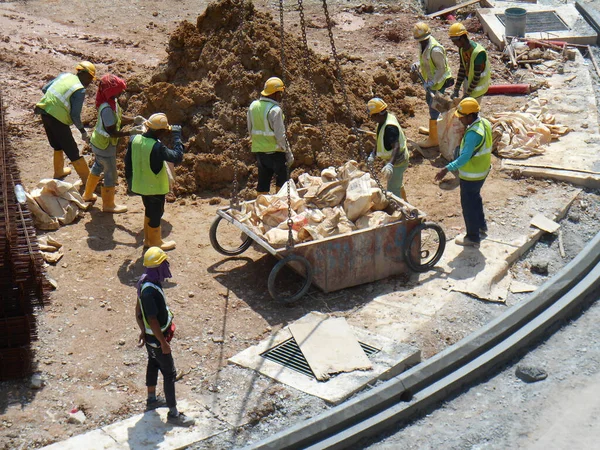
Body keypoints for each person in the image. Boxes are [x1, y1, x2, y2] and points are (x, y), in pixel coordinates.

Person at [135, 246, 195, 427]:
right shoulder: (149, 291)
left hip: (150, 338)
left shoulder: (145, 281)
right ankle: (174, 414)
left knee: (152, 363)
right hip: (157, 340)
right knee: (169, 373)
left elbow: (138, 312)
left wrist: (142, 331)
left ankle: (152, 399)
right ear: (158, 266)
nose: (167, 265)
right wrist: (163, 343)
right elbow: (151, 318)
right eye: (164, 262)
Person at [82, 74, 146, 212]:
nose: (121, 92)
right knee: (110, 173)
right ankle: (108, 205)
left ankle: (87, 195)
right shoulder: (106, 109)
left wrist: (134, 119)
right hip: (105, 145)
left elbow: (118, 117)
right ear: (111, 92)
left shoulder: (111, 102)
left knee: (98, 166)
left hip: (98, 143)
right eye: (118, 90)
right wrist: (131, 132)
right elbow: (112, 132)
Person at [434, 98, 492, 248]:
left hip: (472, 175)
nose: (460, 119)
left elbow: (464, 157)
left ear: (471, 116)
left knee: (468, 205)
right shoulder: (484, 123)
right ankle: (481, 226)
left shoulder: (473, 133)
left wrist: (447, 168)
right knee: (475, 198)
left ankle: (472, 238)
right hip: (482, 171)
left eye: (462, 117)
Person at [125, 113, 184, 251]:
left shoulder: (134, 139)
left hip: (140, 184)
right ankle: (156, 242)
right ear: (159, 131)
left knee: (149, 210)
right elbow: (177, 157)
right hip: (155, 187)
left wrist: (129, 181)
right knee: (156, 213)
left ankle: (148, 240)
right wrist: (176, 137)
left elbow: (127, 162)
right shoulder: (157, 147)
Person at [35, 61, 97, 183]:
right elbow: (75, 115)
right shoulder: (79, 90)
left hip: (44, 111)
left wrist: (57, 102)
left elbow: (45, 89)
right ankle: (88, 181)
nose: (90, 82)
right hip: (57, 118)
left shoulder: (64, 75)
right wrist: (83, 132)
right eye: (90, 78)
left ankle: (59, 171)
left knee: (57, 144)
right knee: (72, 150)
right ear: (83, 74)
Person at [247, 76, 294, 195]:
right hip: (275, 152)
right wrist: (287, 152)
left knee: (263, 180)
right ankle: (281, 205)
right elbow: (280, 134)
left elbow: (250, 128)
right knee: (283, 179)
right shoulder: (275, 109)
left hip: (260, 151)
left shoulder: (253, 106)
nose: (280, 97)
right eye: (279, 93)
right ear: (275, 93)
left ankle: (261, 206)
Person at [411, 22, 453, 148]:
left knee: (434, 106)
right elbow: (426, 60)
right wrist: (417, 64)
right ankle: (435, 129)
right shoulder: (423, 45)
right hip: (431, 81)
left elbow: (441, 69)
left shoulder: (435, 50)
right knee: (430, 102)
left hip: (439, 82)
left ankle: (434, 138)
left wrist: (432, 82)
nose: (421, 42)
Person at [366, 98, 410, 201]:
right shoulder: (383, 121)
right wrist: (373, 154)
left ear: (377, 114)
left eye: (372, 116)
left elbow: (396, 147)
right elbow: (380, 139)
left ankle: (402, 211)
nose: (371, 118)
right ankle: (404, 200)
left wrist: (390, 165)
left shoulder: (389, 127)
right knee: (396, 182)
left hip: (398, 161)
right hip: (393, 160)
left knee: (392, 190)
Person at [448, 22, 490, 104]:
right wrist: (456, 89)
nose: (454, 44)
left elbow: (476, 77)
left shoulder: (478, 53)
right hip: (469, 81)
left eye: (455, 41)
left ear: (462, 39)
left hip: (478, 86)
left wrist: (467, 94)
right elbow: (462, 69)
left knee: (472, 112)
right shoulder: (462, 49)